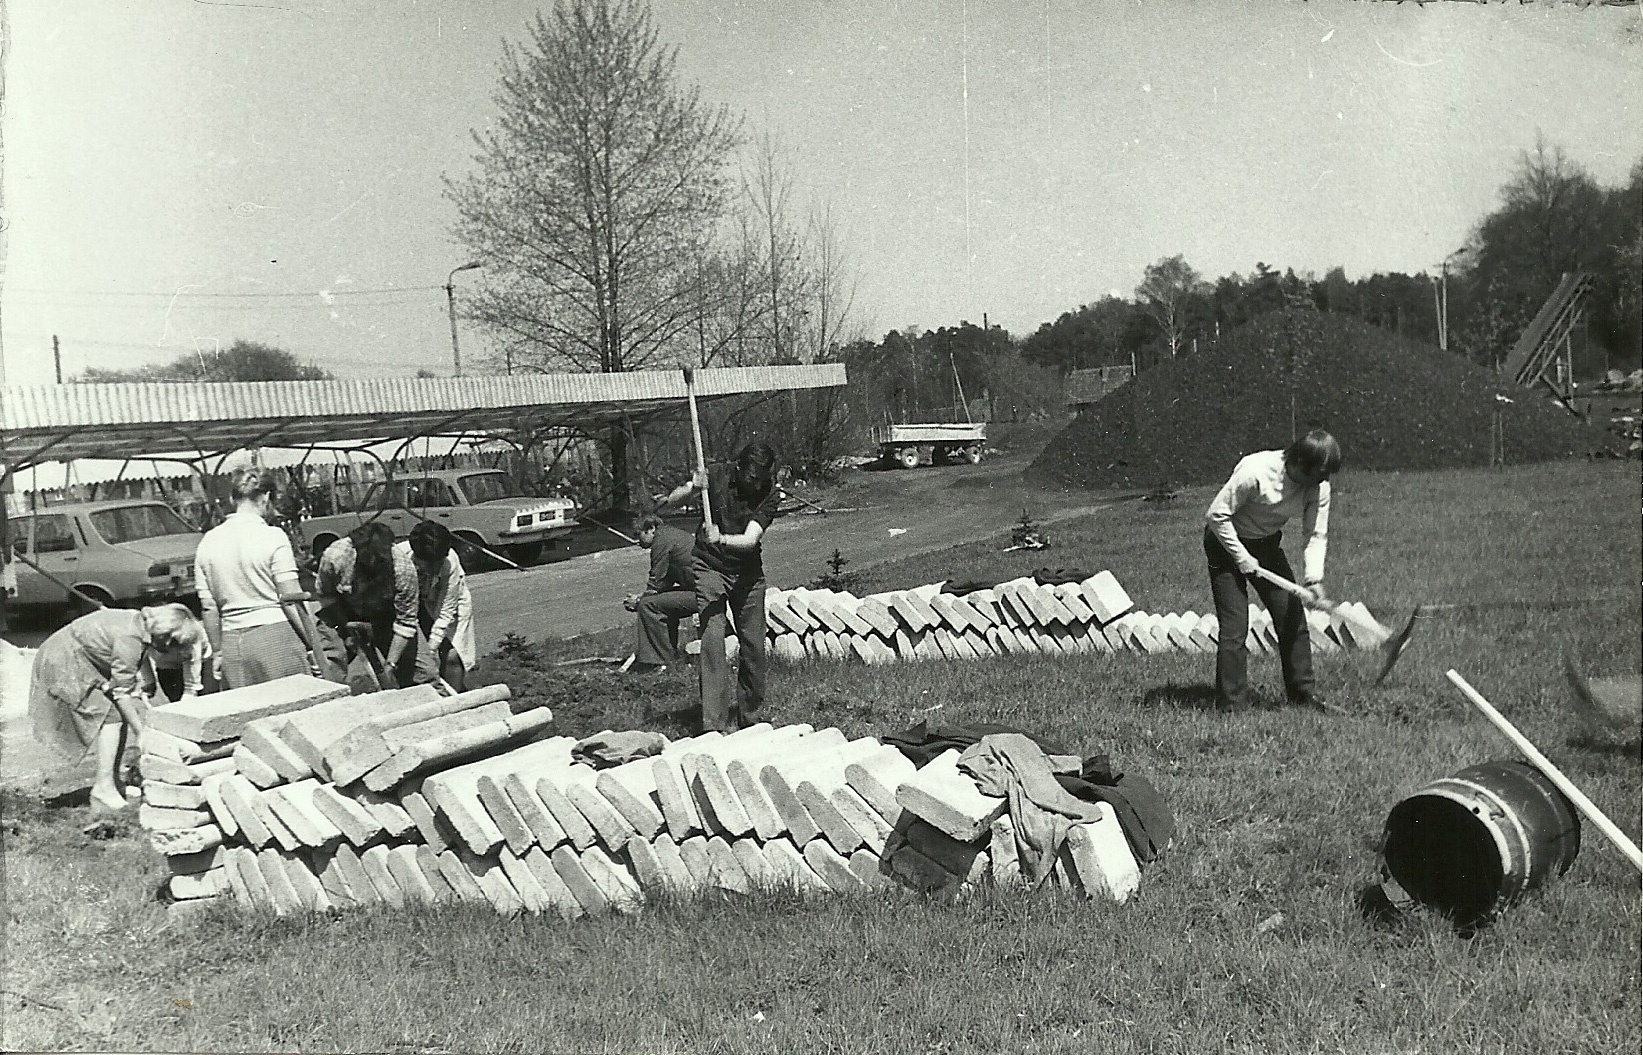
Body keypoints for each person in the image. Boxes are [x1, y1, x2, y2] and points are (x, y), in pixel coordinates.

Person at [1204, 429, 1342, 712]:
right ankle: (1232, 707)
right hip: (1224, 543)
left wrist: (1313, 579)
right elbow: (1216, 515)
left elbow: (1315, 534)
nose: (1319, 484)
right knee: (1235, 627)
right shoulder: (1255, 472)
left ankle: (1303, 696)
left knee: (1292, 615)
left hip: (1265, 546)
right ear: (1298, 464)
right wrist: (1241, 556)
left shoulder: (1319, 486)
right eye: (1315, 477)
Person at [29, 603, 203, 812]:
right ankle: (103, 789)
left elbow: (139, 657)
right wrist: (141, 733)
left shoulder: (142, 624)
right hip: (63, 657)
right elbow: (121, 692)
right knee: (111, 716)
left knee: (115, 714)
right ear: (166, 638)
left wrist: (147, 684)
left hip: (79, 655)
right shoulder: (130, 638)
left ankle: (113, 782)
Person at [660, 442, 782, 732]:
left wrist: (722, 538)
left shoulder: (771, 494)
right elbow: (668, 503)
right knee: (712, 640)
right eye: (751, 478)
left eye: (761, 479)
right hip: (709, 567)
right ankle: (713, 724)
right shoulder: (715, 475)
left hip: (747, 573)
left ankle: (750, 717)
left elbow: (750, 540)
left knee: (753, 644)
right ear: (738, 468)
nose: (756, 485)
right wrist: (692, 486)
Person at [194, 468, 318, 688]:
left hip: (232, 642)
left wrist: (218, 652)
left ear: (233, 499)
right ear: (267, 497)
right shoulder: (272, 536)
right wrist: (313, 646)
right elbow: (290, 599)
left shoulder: (207, 542)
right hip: (276, 636)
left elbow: (208, 608)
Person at [314, 520, 419, 689]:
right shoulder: (336, 556)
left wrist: (390, 664)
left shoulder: (404, 571)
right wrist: (344, 627)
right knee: (328, 668)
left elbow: (405, 623)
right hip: (342, 611)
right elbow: (326, 595)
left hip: (387, 615)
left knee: (423, 672)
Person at [406, 521, 475, 691]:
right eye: (429, 564)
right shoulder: (401, 558)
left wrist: (432, 647)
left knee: (452, 655)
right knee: (419, 660)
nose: (435, 568)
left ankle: (456, 700)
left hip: (451, 604)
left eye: (438, 562)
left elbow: (446, 612)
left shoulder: (450, 561)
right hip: (417, 604)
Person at [626, 512, 698, 673]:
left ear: (651, 529)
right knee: (660, 602)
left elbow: (656, 580)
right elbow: (664, 583)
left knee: (648, 605)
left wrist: (638, 600)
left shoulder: (661, 540)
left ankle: (657, 662)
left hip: (704, 592)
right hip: (705, 589)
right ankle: (669, 655)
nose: (637, 541)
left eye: (639, 535)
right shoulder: (670, 534)